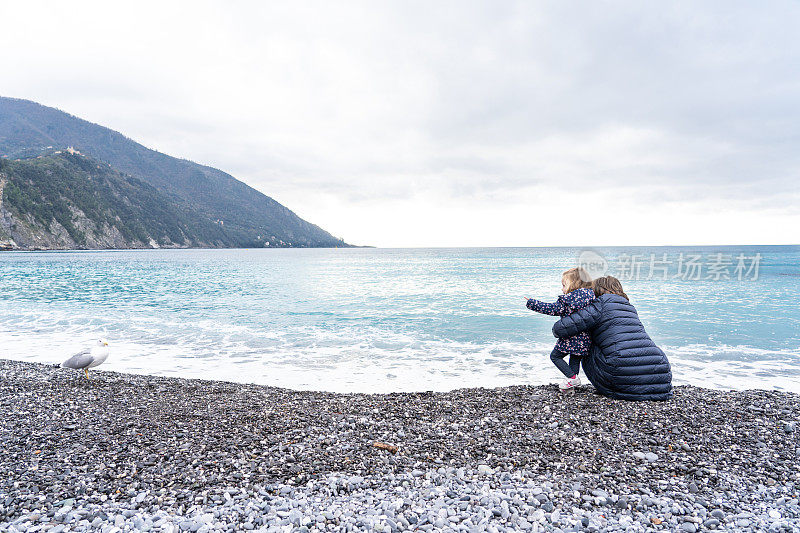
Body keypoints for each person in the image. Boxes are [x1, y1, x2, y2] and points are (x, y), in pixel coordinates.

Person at [552, 276, 673, 401]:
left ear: (596, 290)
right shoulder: (629, 306)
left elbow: (560, 329)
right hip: (661, 372)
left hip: (618, 374)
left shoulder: (600, 304)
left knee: (586, 341)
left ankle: (572, 379)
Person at [525, 267, 596, 391]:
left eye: (564, 285)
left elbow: (551, 309)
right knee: (574, 359)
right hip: (585, 338)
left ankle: (572, 378)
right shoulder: (591, 297)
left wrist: (532, 303)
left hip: (571, 337)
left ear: (573, 284)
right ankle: (572, 384)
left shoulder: (569, 300)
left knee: (555, 356)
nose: (562, 289)